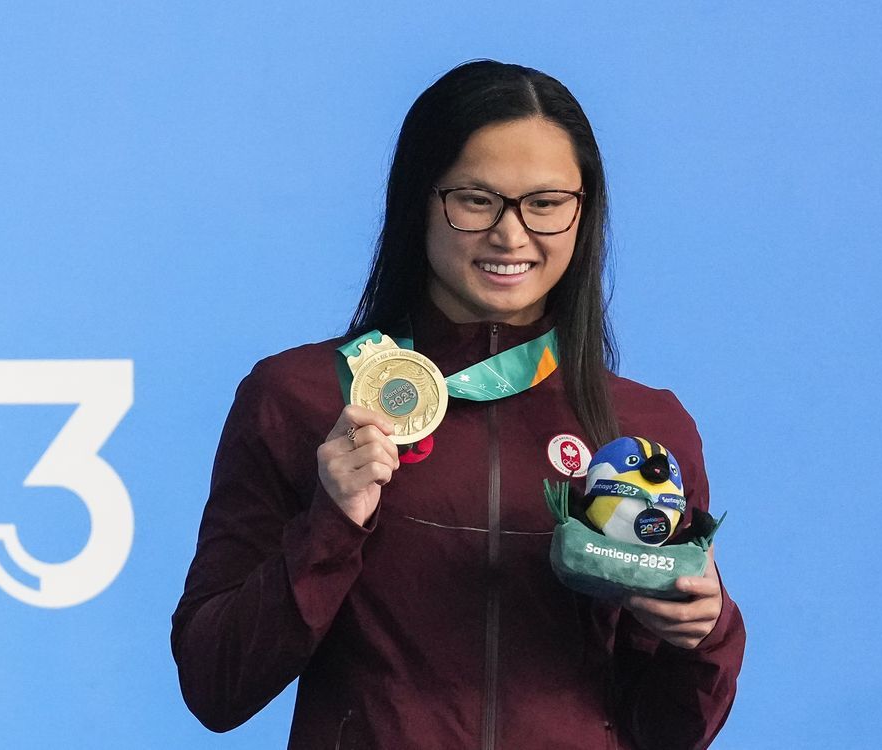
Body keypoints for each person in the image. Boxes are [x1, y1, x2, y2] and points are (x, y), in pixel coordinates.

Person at [171, 60, 745, 750]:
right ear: (420, 199)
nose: (511, 234)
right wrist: (333, 522)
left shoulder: (643, 433)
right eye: (476, 200)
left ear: (585, 211)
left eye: (546, 202)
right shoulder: (304, 398)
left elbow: (668, 732)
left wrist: (703, 635)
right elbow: (214, 683)